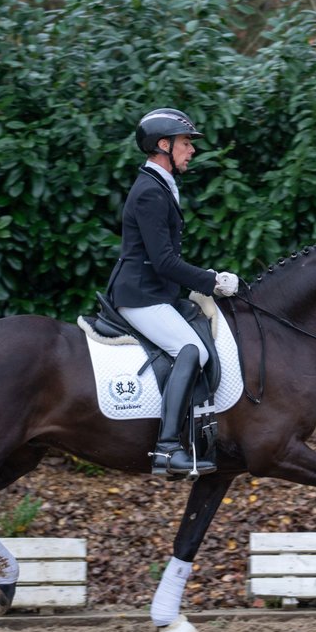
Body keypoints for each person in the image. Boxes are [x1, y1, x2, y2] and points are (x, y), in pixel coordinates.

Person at [106, 107, 239, 477]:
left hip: (155, 292)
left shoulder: (162, 184)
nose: (191, 150)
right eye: (185, 143)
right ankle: (166, 450)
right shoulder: (150, 191)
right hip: (140, 296)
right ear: (162, 145)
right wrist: (210, 281)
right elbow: (163, 261)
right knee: (190, 350)